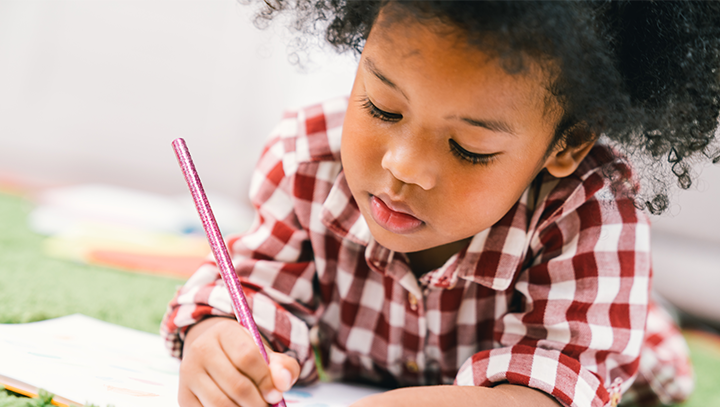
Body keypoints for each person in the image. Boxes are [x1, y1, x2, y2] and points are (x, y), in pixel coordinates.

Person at [161, 2, 720, 407]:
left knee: (649, 351)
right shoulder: (308, 157)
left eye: (468, 147)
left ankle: (653, 309)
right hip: (392, 364)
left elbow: (561, 384)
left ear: (565, 145)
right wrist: (223, 340)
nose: (402, 166)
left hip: (606, 331)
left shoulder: (589, 211)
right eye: (382, 107)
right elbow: (256, 285)